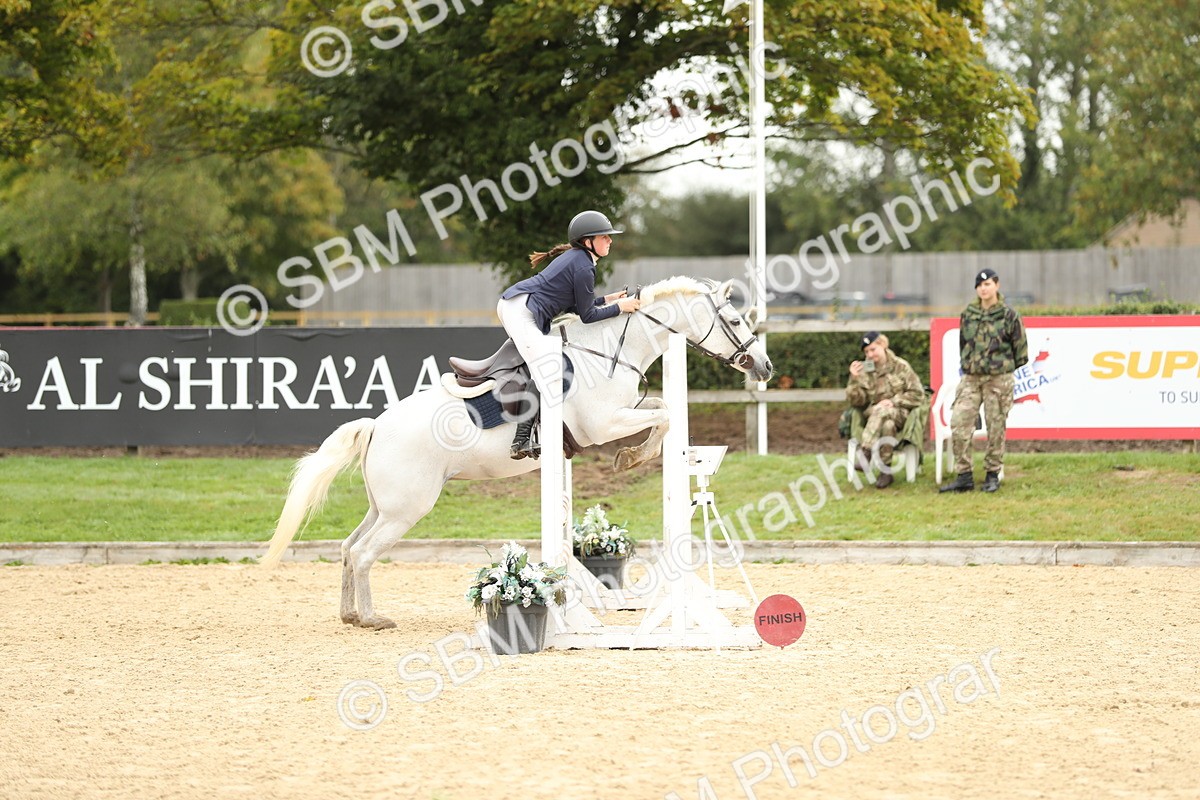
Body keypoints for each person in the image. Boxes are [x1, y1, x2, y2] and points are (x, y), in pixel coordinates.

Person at [496, 210, 641, 459]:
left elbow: (576, 307)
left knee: (546, 364)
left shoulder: (580, 259)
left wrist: (609, 299)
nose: (610, 241)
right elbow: (587, 317)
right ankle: (520, 441)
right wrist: (620, 308)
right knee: (547, 366)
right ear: (588, 242)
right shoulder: (583, 266)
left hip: (521, 305)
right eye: (604, 236)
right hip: (521, 311)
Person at [939, 268, 1028, 493]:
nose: (983, 288)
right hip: (971, 378)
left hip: (998, 379)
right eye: (979, 285)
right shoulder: (969, 314)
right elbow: (963, 345)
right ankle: (964, 475)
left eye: (987, 284)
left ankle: (992, 474)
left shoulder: (1009, 315)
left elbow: (1021, 352)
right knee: (959, 422)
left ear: (997, 285)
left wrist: (1000, 368)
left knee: (995, 426)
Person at [846, 331, 925, 489]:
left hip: (901, 413)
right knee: (887, 424)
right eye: (866, 351)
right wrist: (854, 381)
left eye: (873, 349)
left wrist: (893, 401)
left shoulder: (900, 366)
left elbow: (918, 395)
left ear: (883, 345)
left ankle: (865, 453)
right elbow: (857, 402)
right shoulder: (864, 369)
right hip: (874, 417)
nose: (869, 354)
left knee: (883, 410)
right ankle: (886, 472)